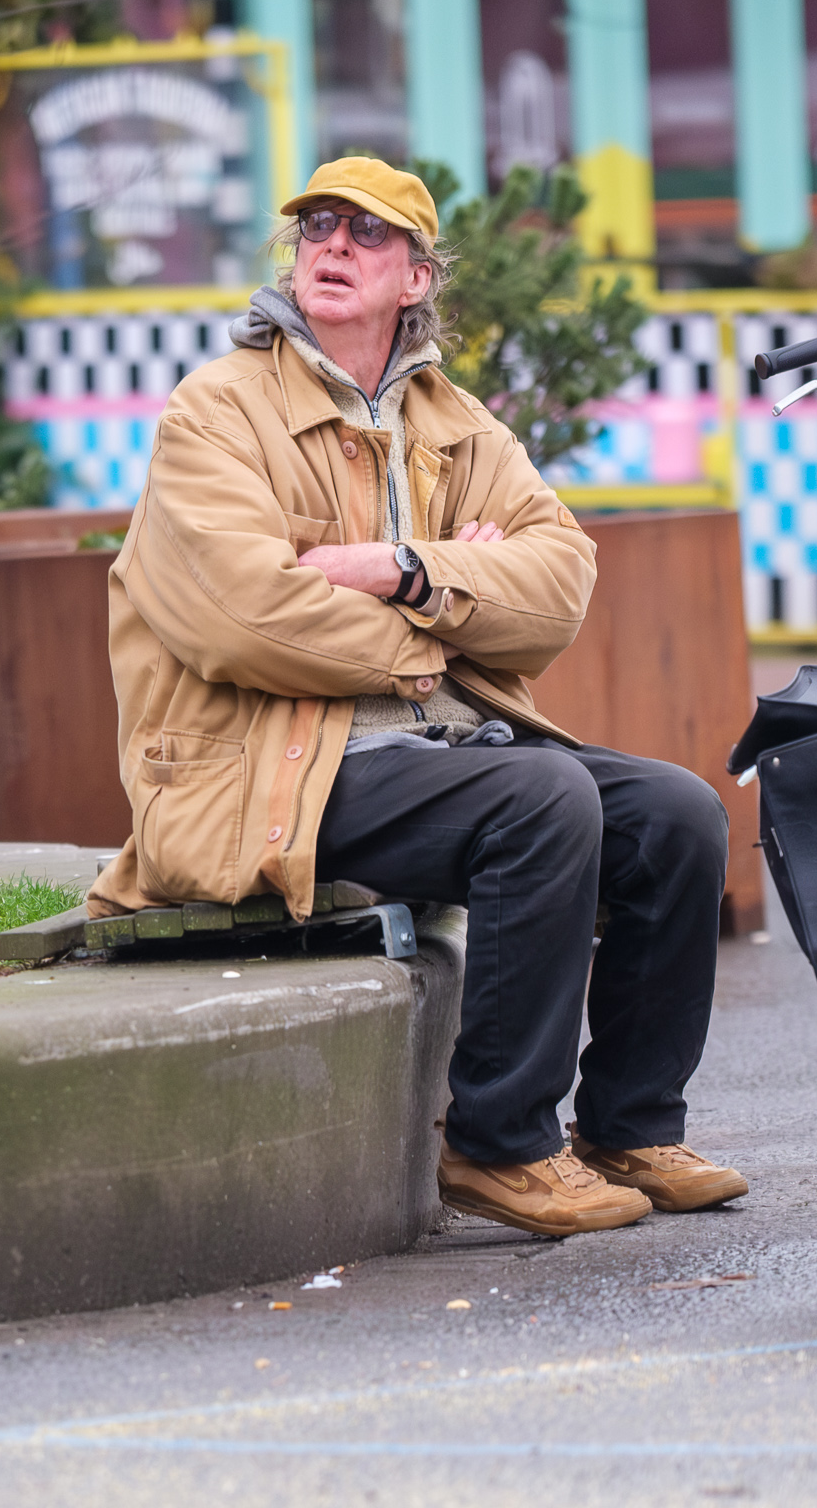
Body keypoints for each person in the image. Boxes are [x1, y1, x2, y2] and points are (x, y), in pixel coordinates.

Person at [86, 157, 747, 1239]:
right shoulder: (216, 412)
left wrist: (401, 568)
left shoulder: (456, 423)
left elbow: (559, 587)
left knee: (678, 815)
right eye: (316, 226)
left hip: (440, 752)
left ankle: (630, 1126)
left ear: (417, 278)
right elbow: (244, 616)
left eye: (366, 232)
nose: (333, 245)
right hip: (276, 774)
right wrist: (437, 628)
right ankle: (499, 1143)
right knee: (544, 800)